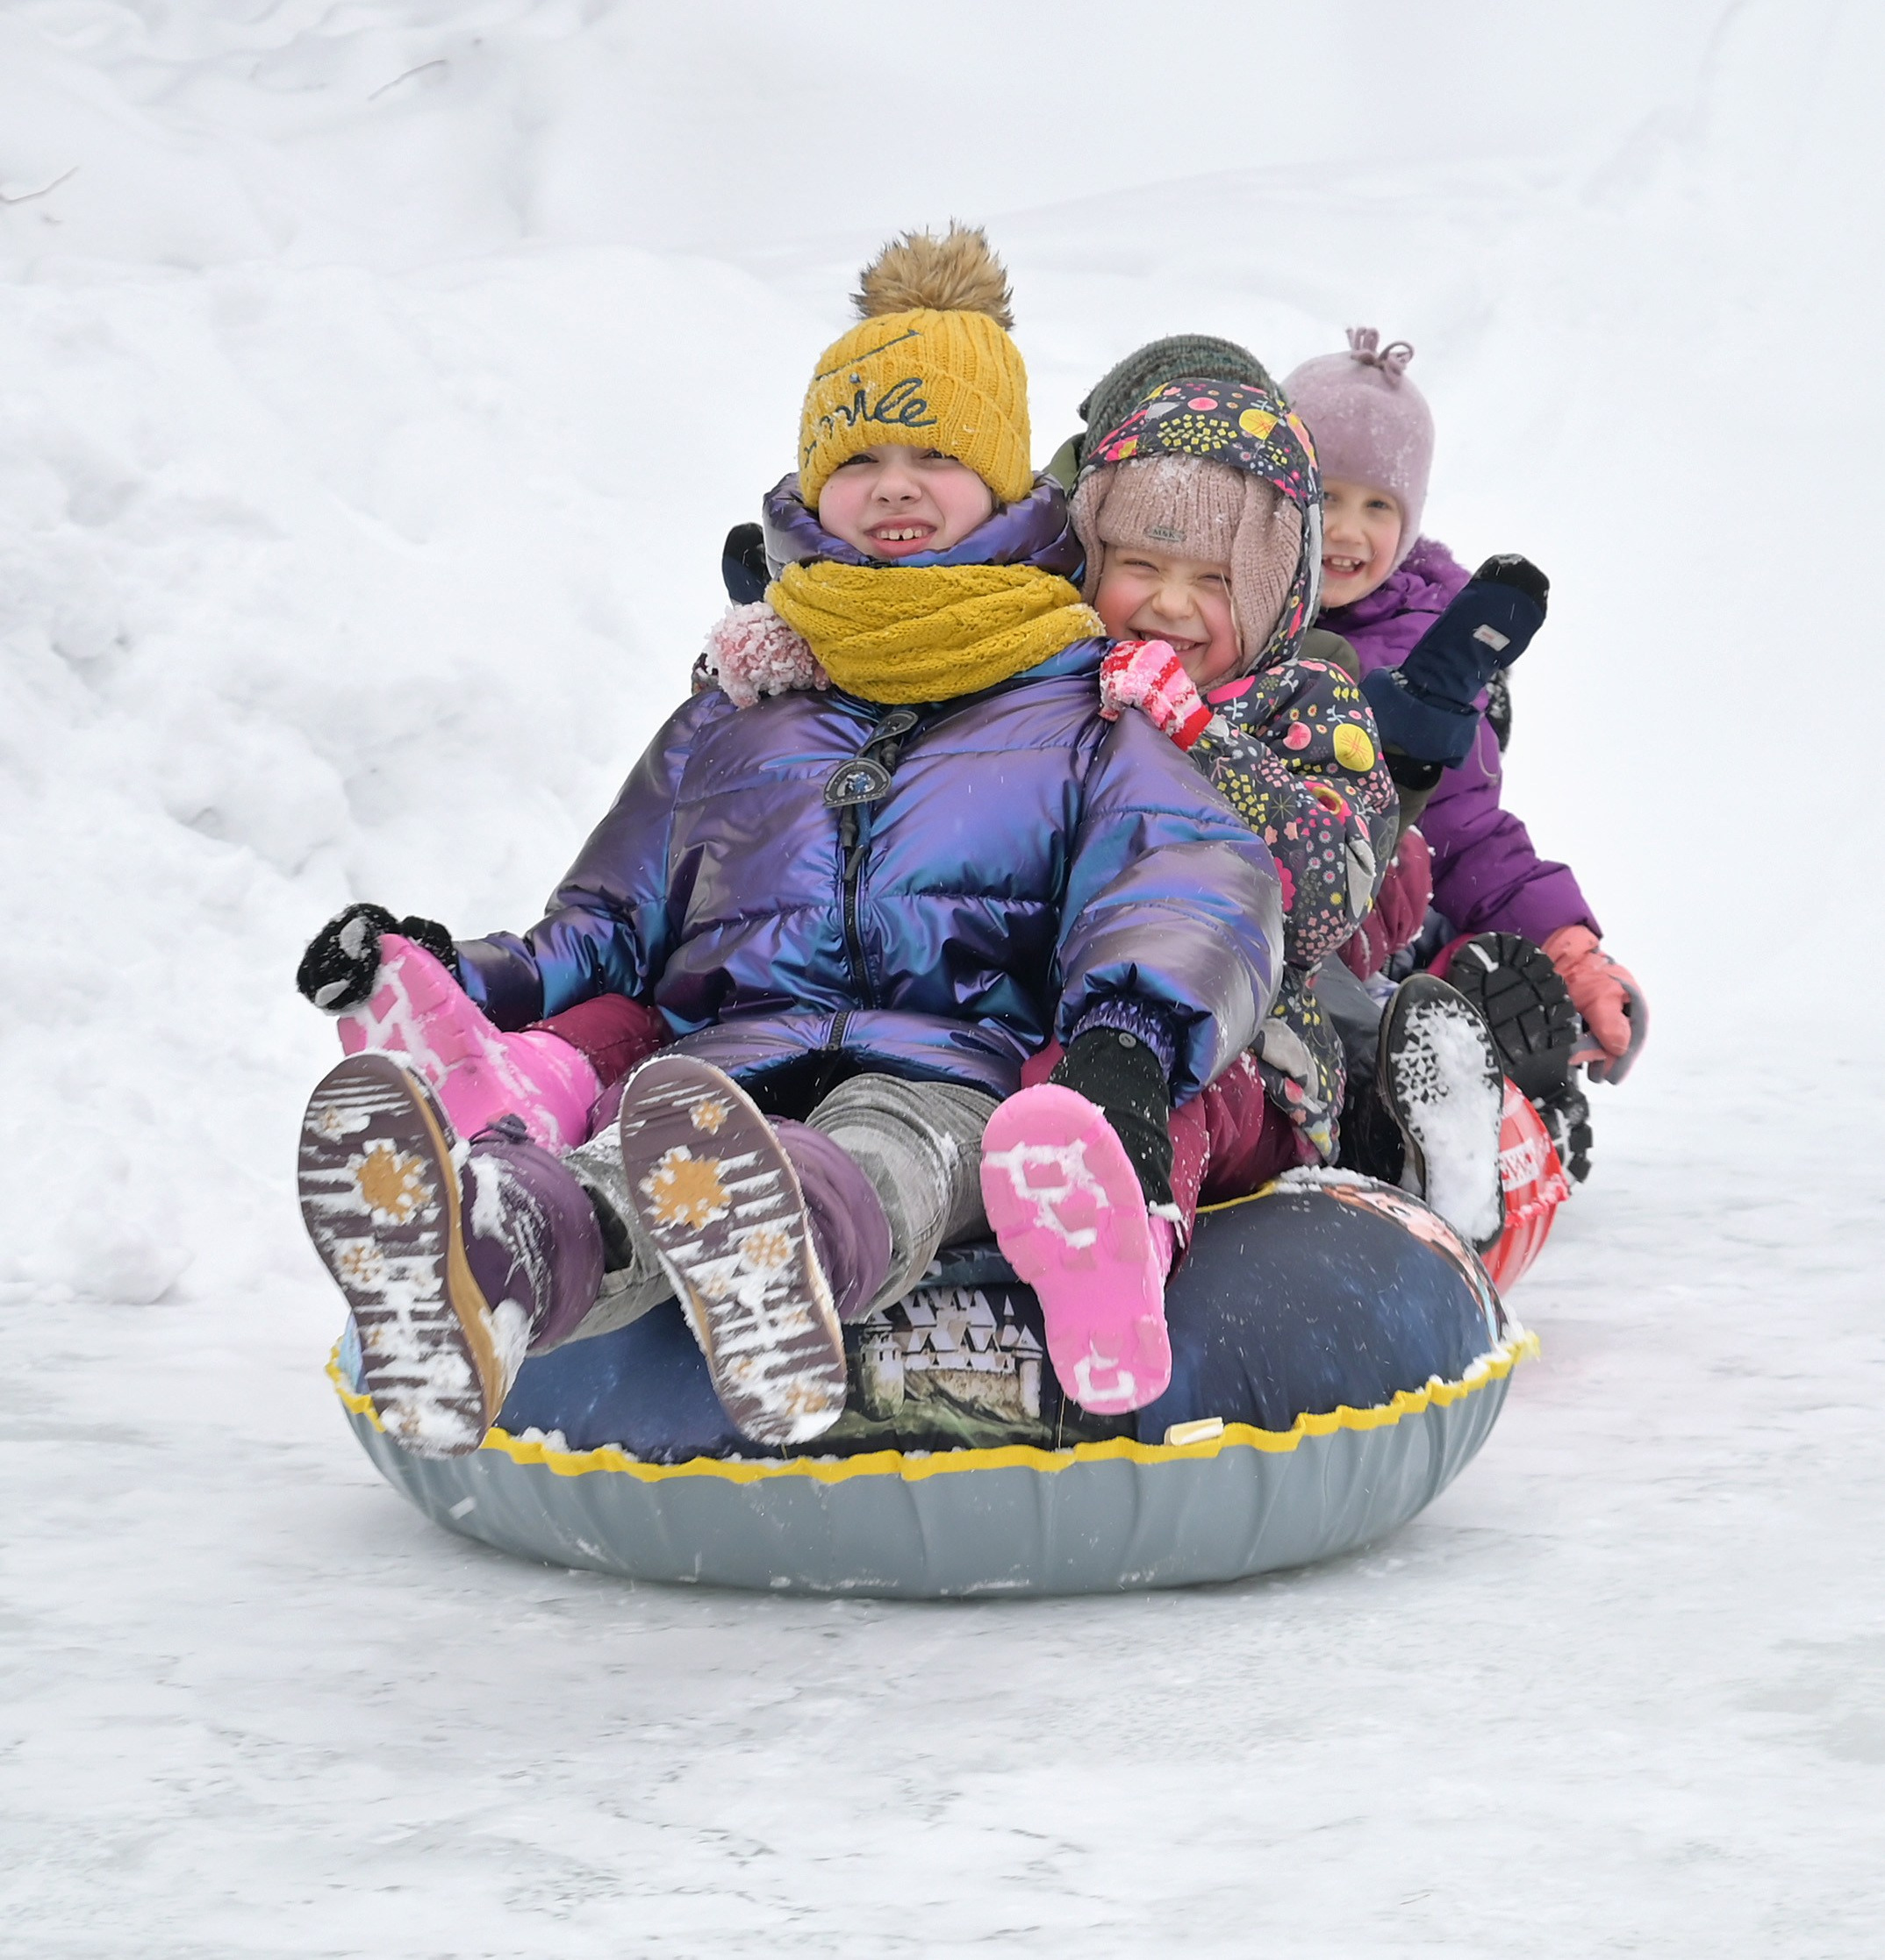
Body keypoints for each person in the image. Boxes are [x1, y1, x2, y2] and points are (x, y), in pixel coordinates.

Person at [292, 224, 1282, 1458]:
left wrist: (1128, 1044)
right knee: (638, 1165)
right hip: (721, 1075)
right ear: (813, 482)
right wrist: (467, 968)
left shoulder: (1078, 700)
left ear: (1010, 482)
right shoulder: (740, 706)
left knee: (876, 1151)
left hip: (949, 1071)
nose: (896, 483)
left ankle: (786, 1263)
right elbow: (610, 916)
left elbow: (1190, 873)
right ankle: (488, 1260)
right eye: (859, 454)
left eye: (936, 452)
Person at [1057, 370, 1514, 1250]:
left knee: (1190, 1078)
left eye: (1216, 580)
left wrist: (1197, 735)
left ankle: (1129, 1236)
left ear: (1273, 590)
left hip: (1247, 1035)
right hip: (1073, 1009)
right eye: (1141, 566)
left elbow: (1316, 897)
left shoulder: (1306, 702)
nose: (1170, 603)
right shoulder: (1064, 686)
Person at [1284, 329, 1647, 1169]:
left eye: (1379, 506)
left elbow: (1471, 834)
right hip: (1272, 906)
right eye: (1325, 495)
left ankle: (1487, 1047)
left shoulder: (1434, 648)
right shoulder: (1225, 609)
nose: (1346, 530)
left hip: (1386, 919)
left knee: (1418, 928)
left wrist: (1571, 951)